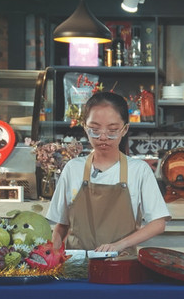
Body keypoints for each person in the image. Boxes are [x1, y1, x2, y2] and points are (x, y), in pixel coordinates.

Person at [46, 92, 171, 255]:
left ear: (125, 129)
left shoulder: (139, 170)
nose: (103, 137)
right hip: (76, 266)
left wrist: (120, 245)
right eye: (95, 130)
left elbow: (158, 223)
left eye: (112, 130)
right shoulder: (73, 168)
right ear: (85, 126)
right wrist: (51, 256)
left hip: (121, 266)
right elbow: (62, 225)